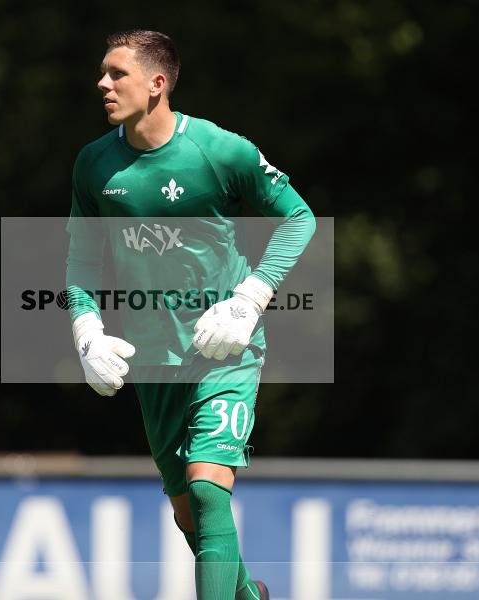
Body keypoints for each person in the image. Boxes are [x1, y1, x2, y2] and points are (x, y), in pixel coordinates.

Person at [65, 29, 315, 600]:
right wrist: (86, 332)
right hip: (153, 360)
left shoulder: (220, 150)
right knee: (189, 519)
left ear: (157, 84)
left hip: (225, 350)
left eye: (116, 74)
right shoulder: (93, 165)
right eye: (103, 73)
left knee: (208, 492)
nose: (102, 84)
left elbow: (298, 217)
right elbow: (80, 260)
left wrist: (250, 299)